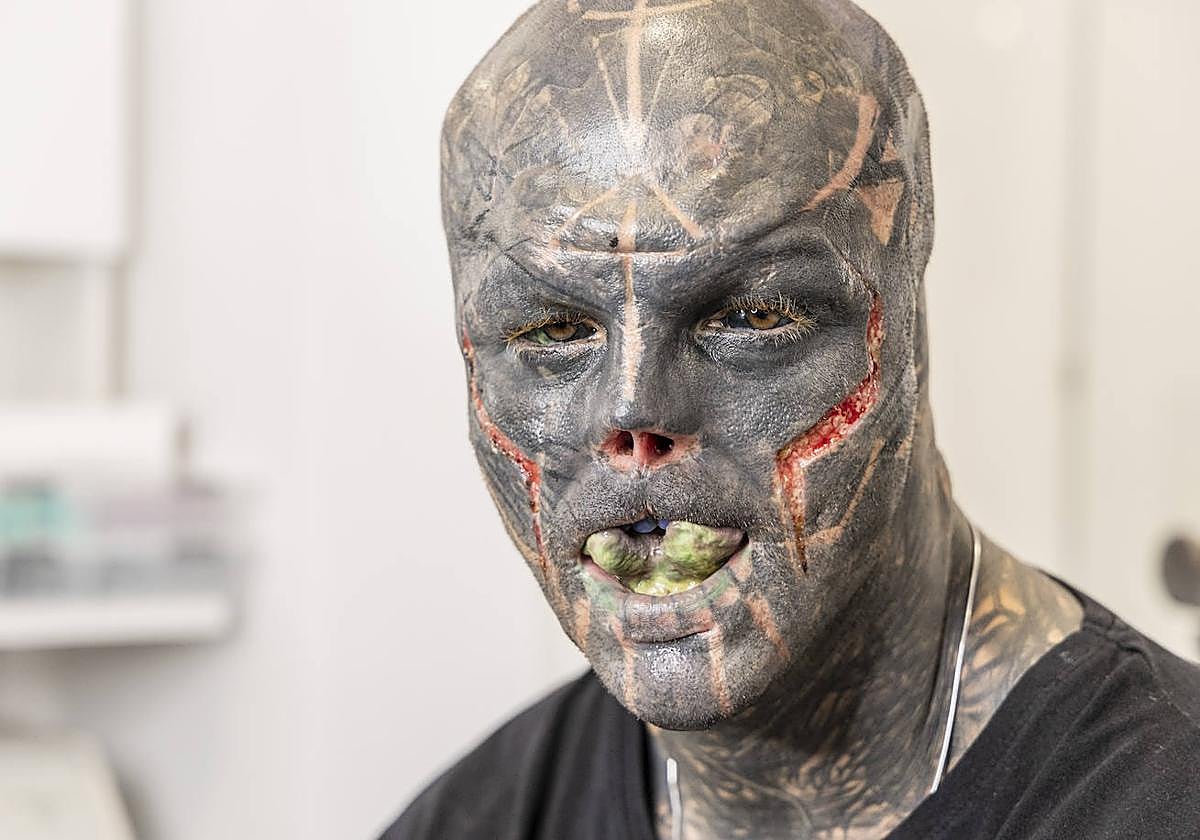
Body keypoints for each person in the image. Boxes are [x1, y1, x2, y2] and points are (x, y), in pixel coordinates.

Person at [386, 1, 1200, 837]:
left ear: (904, 297)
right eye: (555, 332)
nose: (632, 412)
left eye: (755, 315)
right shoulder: (471, 820)